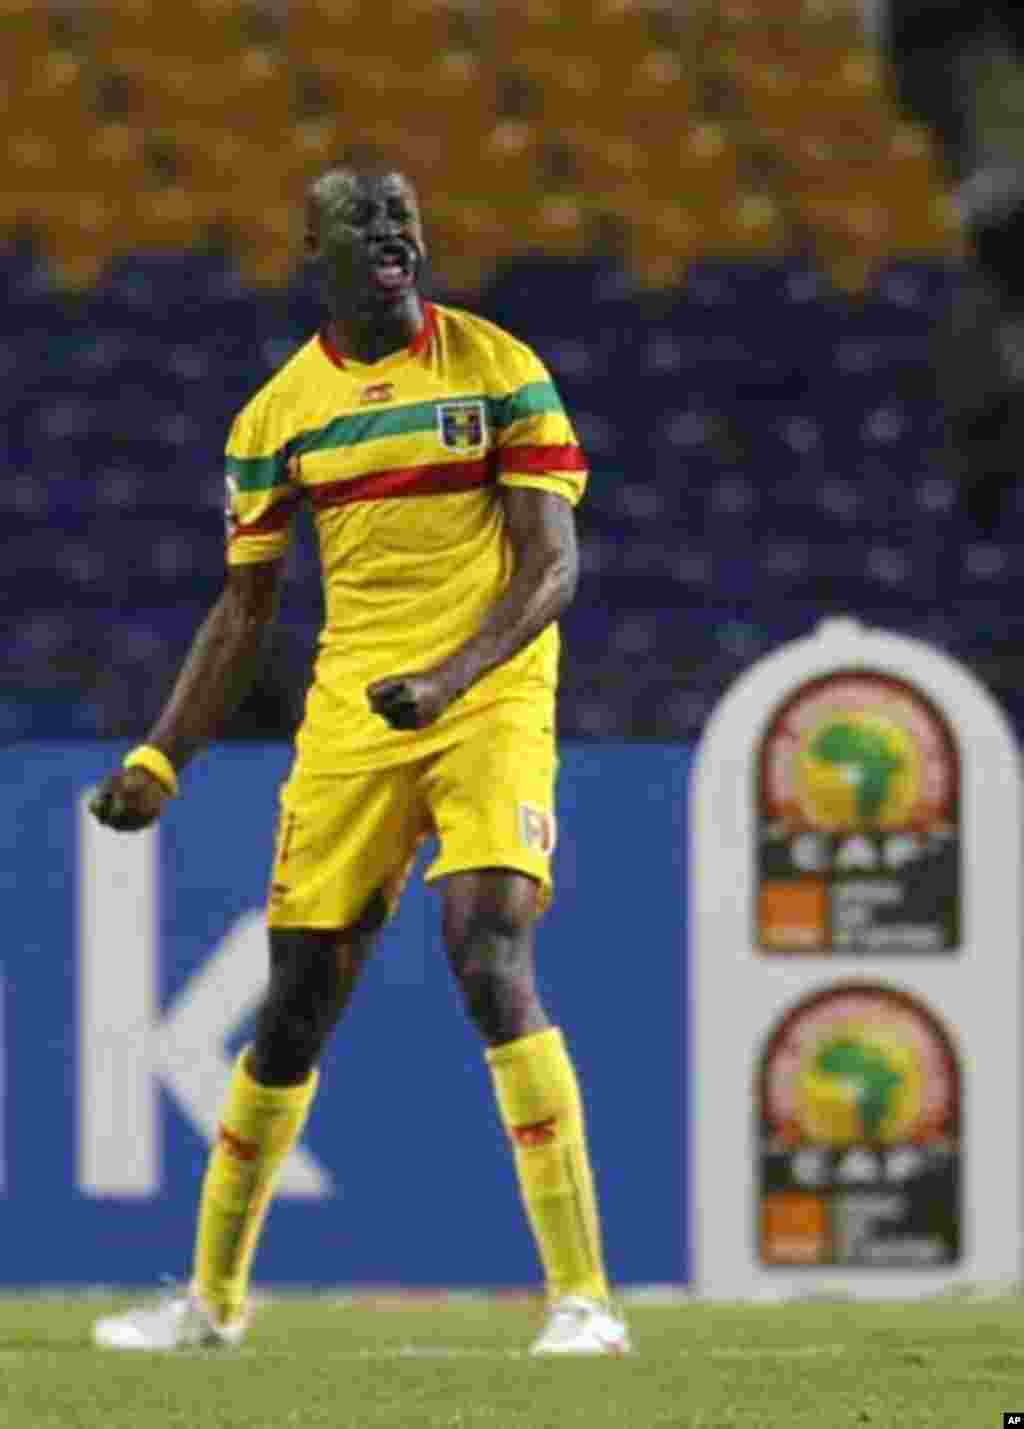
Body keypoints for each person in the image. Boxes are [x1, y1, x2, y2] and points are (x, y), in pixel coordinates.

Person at [89, 162, 630, 1357]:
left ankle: (583, 1299)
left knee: (487, 951)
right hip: (350, 718)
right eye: (365, 219)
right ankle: (212, 1303)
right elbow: (242, 610)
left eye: (405, 216)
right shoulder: (277, 416)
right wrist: (160, 758)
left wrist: (448, 676)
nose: (393, 231)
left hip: (487, 693)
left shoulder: (499, 369)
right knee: (291, 1014)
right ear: (314, 252)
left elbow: (553, 568)